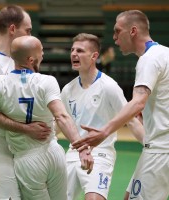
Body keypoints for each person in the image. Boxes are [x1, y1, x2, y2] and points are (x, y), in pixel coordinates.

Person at [0, 35, 93, 200]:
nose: (43, 55)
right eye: (41, 52)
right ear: (30, 59)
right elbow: (62, 116)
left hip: (28, 160)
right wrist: (83, 149)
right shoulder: (48, 81)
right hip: (54, 153)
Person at [72, 10, 169, 200]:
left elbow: (138, 102)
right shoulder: (165, 53)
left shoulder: (148, 59)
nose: (115, 38)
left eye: (118, 31)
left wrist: (104, 132)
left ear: (133, 31)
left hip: (161, 150)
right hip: (156, 147)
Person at [0, 5, 52, 200]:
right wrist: (27, 129)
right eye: (27, 30)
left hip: (19, 143)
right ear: (12, 29)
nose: (30, 35)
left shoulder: (18, 59)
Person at [60, 33, 144, 200]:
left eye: (80, 50)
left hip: (101, 154)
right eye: (72, 50)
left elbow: (131, 120)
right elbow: (60, 123)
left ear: (94, 56)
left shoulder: (109, 87)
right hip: (73, 153)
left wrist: (149, 145)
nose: (74, 54)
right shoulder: (67, 90)